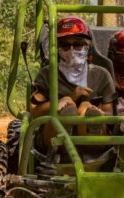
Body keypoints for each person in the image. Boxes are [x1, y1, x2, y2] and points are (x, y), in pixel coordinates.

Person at [29, 17, 115, 147]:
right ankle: (63, 136)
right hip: (52, 140)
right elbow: (34, 112)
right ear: (57, 48)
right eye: (65, 45)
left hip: (95, 142)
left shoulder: (101, 75)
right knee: (65, 109)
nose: (71, 50)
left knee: (85, 109)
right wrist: (62, 101)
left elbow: (109, 114)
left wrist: (93, 109)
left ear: (87, 47)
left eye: (77, 44)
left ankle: (90, 134)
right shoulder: (47, 74)